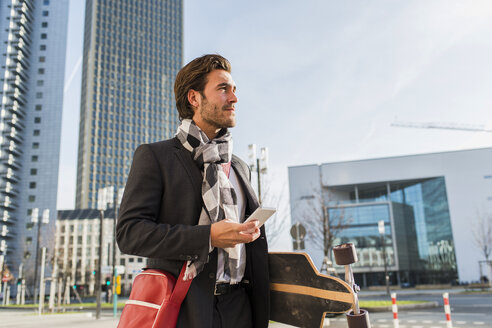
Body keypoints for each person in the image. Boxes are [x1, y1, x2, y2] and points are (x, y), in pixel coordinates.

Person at [116, 54, 269, 328]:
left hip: (240, 308)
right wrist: (208, 237)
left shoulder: (240, 167)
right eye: (223, 89)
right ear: (194, 98)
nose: (234, 98)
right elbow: (130, 234)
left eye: (234, 90)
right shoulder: (156, 156)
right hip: (185, 309)